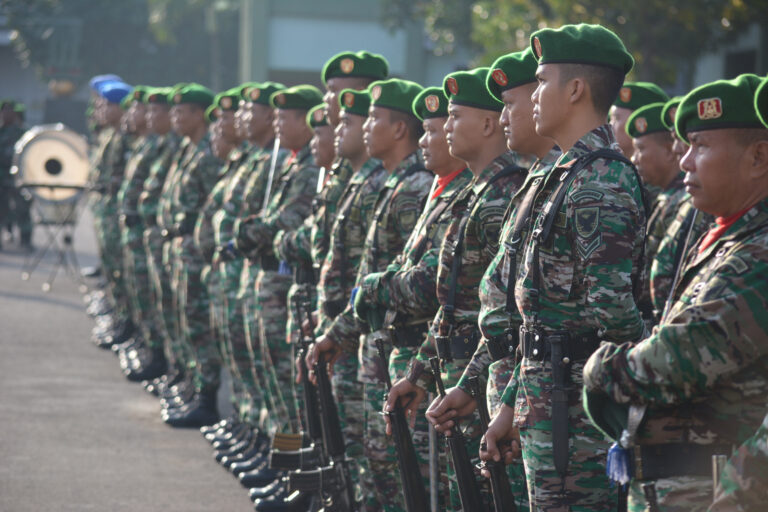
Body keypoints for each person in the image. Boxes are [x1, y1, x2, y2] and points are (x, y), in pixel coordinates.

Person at [480, 24, 647, 510]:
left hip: (579, 419)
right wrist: (512, 405)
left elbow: (616, 320)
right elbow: (542, 318)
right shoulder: (566, 173)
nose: (533, 95)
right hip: (546, 404)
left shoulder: (600, 181)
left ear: (575, 89)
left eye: (543, 81)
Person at [583, 73, 768, 512]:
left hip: (718, 489)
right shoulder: (727, 238)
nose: (685, 161)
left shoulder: (757, 253)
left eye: (701, 146)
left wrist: (601, 367)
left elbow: (679, 358)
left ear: (759, 157)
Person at [426, 48, 558, 512]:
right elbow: (492, 308)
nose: (443, 128)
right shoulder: (518, 188)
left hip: (531, 398)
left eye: (454, 116)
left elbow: (529, 318)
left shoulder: (515, 191)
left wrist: (500, 397)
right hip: (494, 384)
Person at [354, 82, 473, 509]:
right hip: (404, 356)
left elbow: (428, 287)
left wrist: (373, 286)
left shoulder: (442, 191)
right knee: (391, 469)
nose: (426, 141)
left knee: (426, 484)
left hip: (432, 363)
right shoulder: (437, 190)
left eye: (435, 129)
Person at [308, 87, 389, 511]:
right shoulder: (351, 177)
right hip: (336, 324)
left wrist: (340, 327)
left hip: (360, 335)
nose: (337, 124)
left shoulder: (383, 182)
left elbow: (375, 273)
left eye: (348, 120)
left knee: (365, 449)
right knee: (342, 435)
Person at [157, 83, 223, 428]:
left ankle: (207, 399)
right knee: (184, 322)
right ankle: (191, 386)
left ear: (200, 114)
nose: (175, 117)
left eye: (182, 111)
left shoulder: (209, 154)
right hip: (180, 247)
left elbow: (210, 209)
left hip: (196, 252)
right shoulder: (188, 149)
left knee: (199, 327)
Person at [625, 101, 686, 324]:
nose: (635, 158)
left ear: (670, 151)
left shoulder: (682, 202)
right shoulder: (667, 198)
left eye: (641, 149)